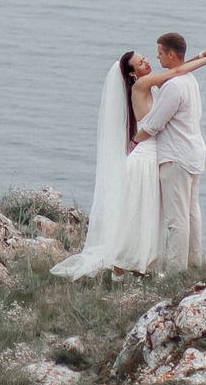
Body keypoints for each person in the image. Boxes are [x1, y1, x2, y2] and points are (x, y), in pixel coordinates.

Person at [47, 50, 165, 279]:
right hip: (145, 159)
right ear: (132, 74)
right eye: (141, 63)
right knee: (138, 213)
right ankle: (123, 264)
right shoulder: (142, 86)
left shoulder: (151, 86)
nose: (147, 62)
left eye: (145, 58)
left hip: (152, 157)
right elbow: (178, 71)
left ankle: (141, 263)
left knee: (147, 212)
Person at [132, 31, 206, 271]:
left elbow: (154, 125)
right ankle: (194, 263)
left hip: (176, 156)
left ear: (171, 54)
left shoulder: (174, 86)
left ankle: (177, 270)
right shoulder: (188, 79)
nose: (157, 58)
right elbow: (180, 69)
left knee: (177, 219)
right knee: (192, 213)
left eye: (160, 53)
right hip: (194, 153)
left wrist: (134, 141)